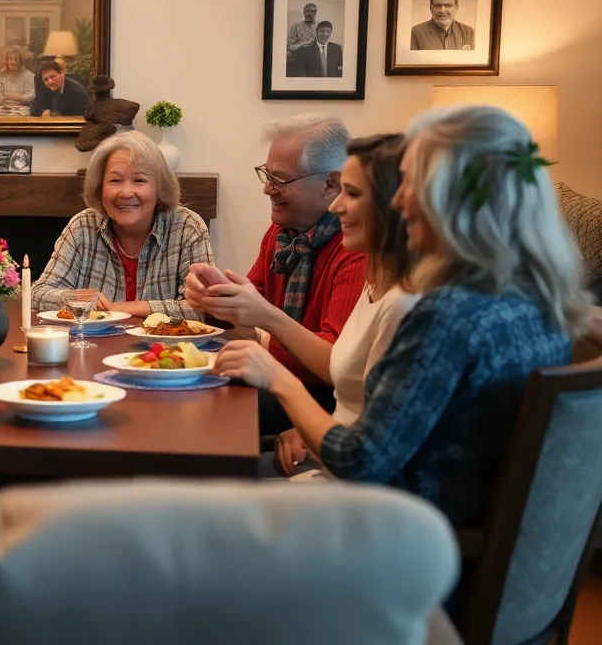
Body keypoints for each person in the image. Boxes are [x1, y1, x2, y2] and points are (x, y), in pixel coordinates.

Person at [214, 105, 590, 533]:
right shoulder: (537, 301)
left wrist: (279, 381)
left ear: (451, 197)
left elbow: (359, 460)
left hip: (397, 535)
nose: (396, 199)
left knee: (195, 504)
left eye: (410, 183)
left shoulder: (447, 316)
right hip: (421, 525)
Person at [211, 134, 419, 479]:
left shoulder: (403, 301)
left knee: (208, 458)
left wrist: (279, 376)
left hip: (348, 477)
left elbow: (369, 453)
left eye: (351, 194)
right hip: (331, 434)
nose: (337, 206)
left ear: (396, 205)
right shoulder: (371, 280)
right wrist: (217, 301)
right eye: (267, 175)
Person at [185, 114, 366, 435]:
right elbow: (249, 311)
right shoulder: (282, 234)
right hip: (279, 375)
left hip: (325, 396)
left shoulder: (355, 248)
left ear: (330, 184)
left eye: (280, 179)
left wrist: (261, 325)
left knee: (209, 406)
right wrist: (213, 298)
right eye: (266, 174)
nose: (267, 188)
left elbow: (336, 365)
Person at [33, 130, 212, 319]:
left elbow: (204, 308)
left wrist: (129, 308)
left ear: (159, 188)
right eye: (115, 180)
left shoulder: (187, 227)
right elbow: (38, 294)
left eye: (139, 180)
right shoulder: (83, 226)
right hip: (95, 346)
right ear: (100, 187)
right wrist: (75, 298)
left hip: (164, 348)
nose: (126, 192)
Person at [410, 0, 476, 50]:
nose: (442, 10)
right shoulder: (416, 32)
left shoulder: (468, 32)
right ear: (431, 8)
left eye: (448, 5)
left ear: (456, 8)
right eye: (438, 5)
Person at [286, 2, 318, 73]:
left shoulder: (319, 27)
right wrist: (303, 44)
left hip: (315, 61)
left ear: (315, 13)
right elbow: (289, 47)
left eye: (312, 11)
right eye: (307, 11)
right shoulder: (295, 27)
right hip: (298, 60)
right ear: (304, 12)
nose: (309, 13)